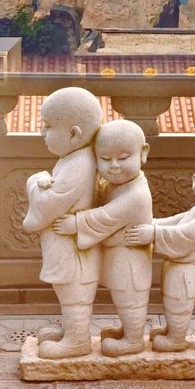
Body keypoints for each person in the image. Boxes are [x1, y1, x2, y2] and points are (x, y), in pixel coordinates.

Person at [53, 120, 153, 357]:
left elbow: (107, 216)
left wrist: (75, 223)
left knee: (130, 298)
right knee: (122, 297)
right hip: (116, 255)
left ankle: (134, 340)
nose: (114, 166)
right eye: (105, 159)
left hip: (130, 259)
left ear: (143, 153)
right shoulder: (115, 184)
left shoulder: (137, 194)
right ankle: (125, 332)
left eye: (123, 157)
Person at [125, 162, 195, 352]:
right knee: (171, 302)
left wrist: (153, 233)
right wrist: (152, 223)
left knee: (179, 304)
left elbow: (183, 236)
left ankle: (176, 339)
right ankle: (172, 330)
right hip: (176, 268)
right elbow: (176, 222)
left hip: (186, 271)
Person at [22, 87, 103, 359]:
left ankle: (78, 341)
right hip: (66, 245)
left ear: (74, 134)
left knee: (75, 294)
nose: (41, 132)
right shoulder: (75, 158)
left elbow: (45, 207)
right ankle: (71, 332)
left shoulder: (78, 165)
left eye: (47, 126)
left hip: (72, 248)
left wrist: (34, 180)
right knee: (68, 292)